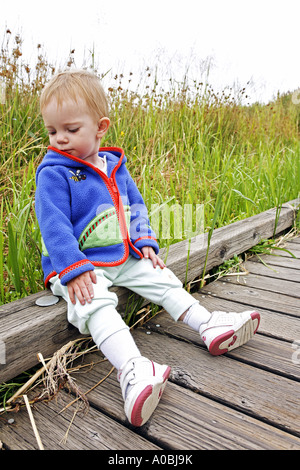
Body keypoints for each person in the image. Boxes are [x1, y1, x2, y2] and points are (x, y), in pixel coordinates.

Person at [35, 69, 260, 427]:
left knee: (161, 276)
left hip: (121, 255)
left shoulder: (114, 166)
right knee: (94, 302)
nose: (59, 139)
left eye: (71, 130)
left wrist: (144, 242)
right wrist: (72, 267)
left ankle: (207, 325)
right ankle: (134, 369)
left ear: (100, 127)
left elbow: (134, 207)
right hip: (76, 266)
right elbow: (53, 225)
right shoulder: (54, 172)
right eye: (52, 131)